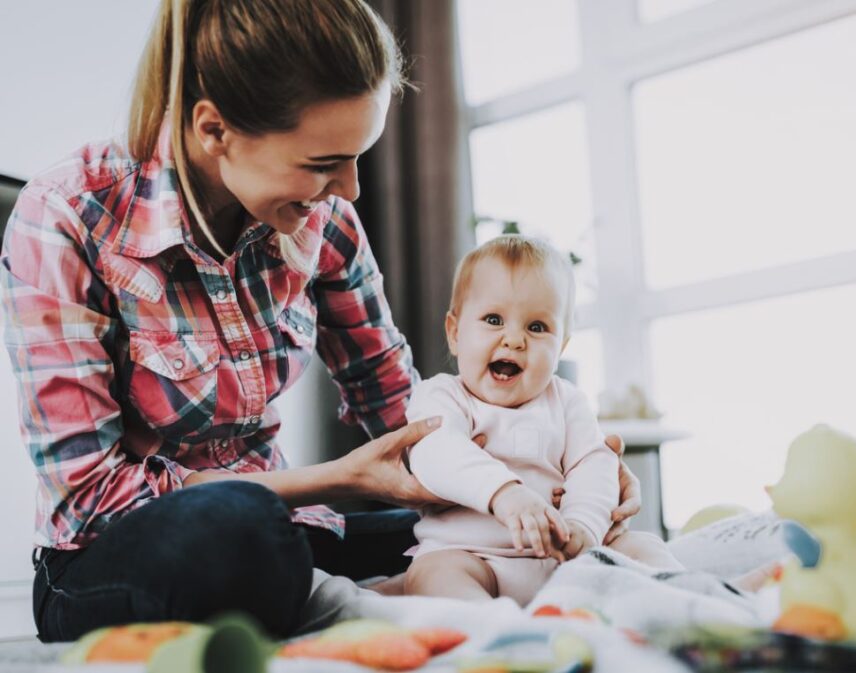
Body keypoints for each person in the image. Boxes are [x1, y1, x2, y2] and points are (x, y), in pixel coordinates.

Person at [0, 0, 641, 642]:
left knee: (478, 542)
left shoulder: (326, 220)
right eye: (322, 163)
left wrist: (555, 482)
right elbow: (92, 497)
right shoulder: (65, 217)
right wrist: (333, 480)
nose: (351, 189)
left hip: (288, 532)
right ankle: (335, 595)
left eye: (357, 157)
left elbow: (404, 417)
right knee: (240, 534)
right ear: (214, 129)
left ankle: (350, 598)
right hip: (110, 555)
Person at [403, 235, 704, 605]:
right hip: (475, 557)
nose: (514, 340)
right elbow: (436, 451)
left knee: (642, 545)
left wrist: (584, 526)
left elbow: (594, 463)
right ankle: (494, 634)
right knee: (433, 574)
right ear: (455, 332)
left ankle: (693, 601)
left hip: (566, 558)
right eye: (493, 319)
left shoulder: (567, 402)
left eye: (537, 327)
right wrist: (505, 494)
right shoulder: (441, 396)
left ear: (561, 347)